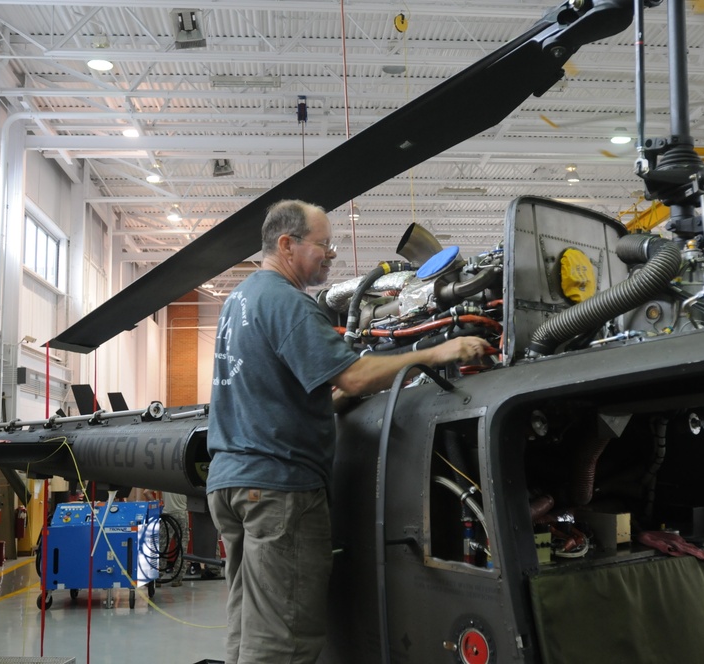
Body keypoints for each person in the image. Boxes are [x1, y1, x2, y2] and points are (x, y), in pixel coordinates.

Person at [205, 200, 492, 664]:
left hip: (232, 484)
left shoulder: (241, 300)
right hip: (280, 489)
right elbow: (354, 377)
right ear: (287, 244)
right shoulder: (286, 302)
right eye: (323, 245)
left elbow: (300, 394)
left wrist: (357, 389)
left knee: (249, 627)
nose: (331, 255)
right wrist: (436, 354)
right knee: (285, 638)